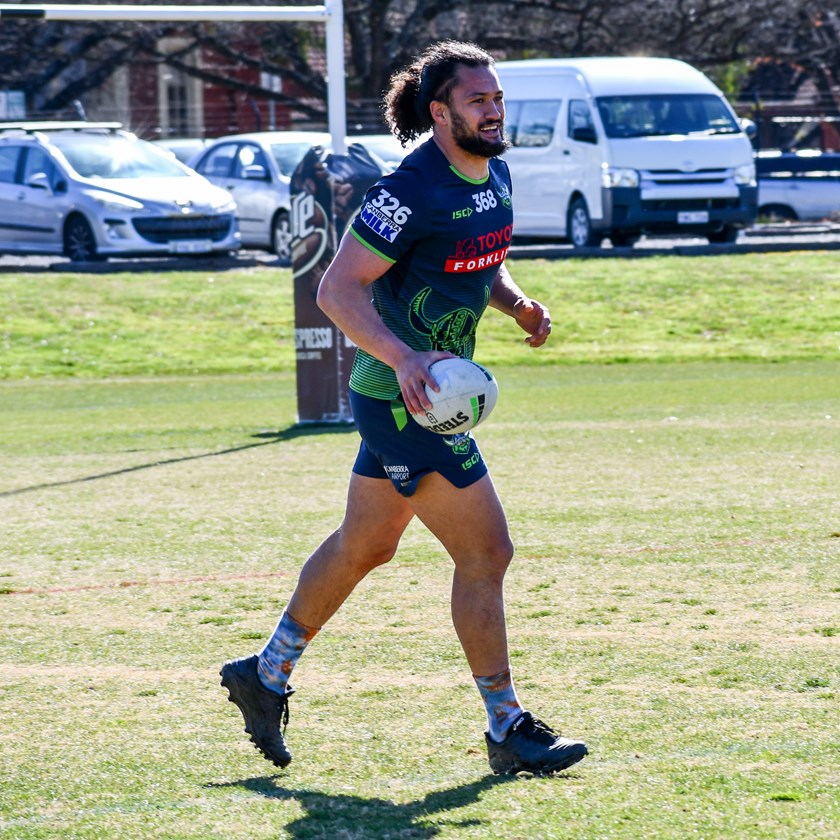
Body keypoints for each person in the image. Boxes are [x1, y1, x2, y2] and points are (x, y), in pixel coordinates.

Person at [221, 40, 588, 776]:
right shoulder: (405, 190)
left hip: (420, 393)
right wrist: (405, 358)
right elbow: (337, 290)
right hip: (405, 403)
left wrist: (516, 304)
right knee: (487, 552)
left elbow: (476, 259)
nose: (494, 110)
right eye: (478, 100)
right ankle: (507, 724)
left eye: (497, 98)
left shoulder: (493, 170)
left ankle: (265, 672)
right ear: (440, 111)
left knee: (366, 546)